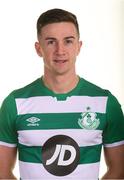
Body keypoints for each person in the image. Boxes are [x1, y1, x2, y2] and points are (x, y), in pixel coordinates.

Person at [0, 8, 124, 180]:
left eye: (68, 41)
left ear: (79, 46)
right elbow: (2, 172)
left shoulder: (105, 103)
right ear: (38, 48)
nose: (60, 50)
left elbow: (119, 171)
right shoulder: (15, 103)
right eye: (51, 42)